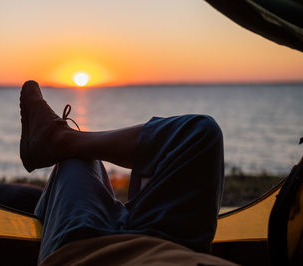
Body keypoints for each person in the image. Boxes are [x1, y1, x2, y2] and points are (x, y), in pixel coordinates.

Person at [20, 80, 236, 265]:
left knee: (78, 160)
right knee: (200, 132)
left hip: (92, 254)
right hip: (174, 245)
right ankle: (64, 140)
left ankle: (63, 141)